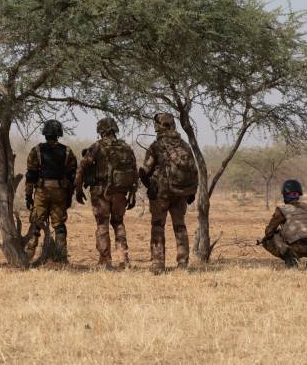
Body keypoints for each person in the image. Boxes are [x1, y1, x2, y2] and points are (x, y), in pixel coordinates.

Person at [74, 117, 138, 270]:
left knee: (102, 224)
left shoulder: (97, 147)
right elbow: (134, 172)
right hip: (120, 193)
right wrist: (132, 193)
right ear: (114, 130)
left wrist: (78, 188)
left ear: (101, 131)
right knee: (118, 223)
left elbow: (82, 167)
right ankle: (124, 260)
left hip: (101, 192)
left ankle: (105, 261)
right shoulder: (126, 148)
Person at [138, 113, 198, 274]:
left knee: (158, 226)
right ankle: (183, 264)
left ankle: (158, 265)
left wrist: (146, 182)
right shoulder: (184, 145)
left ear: (160, 126)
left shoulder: (156, 145)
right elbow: (193, 170)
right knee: (180, 226)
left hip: (161, 194)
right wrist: (191, 192)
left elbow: (145, 169)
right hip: (181, 192)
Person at [24, 119, 77, 264]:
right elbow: (72, 176)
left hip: (42, 191)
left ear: (45, 133)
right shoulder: (67, 151)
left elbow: (31, 175)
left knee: (36, 223)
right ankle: (61, 257)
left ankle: (28, 254)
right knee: (59, 225)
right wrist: (69, 195)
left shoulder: (36, 150)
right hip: (60, 192)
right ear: (59, 133)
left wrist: (28, 196)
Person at [260, 179, 307, 270]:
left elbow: (269, 231)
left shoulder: (282, 209)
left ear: (284, 195)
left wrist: (280, 233)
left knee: (269, 238)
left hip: (295, 248)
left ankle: (291, 260)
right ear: (299, 195)